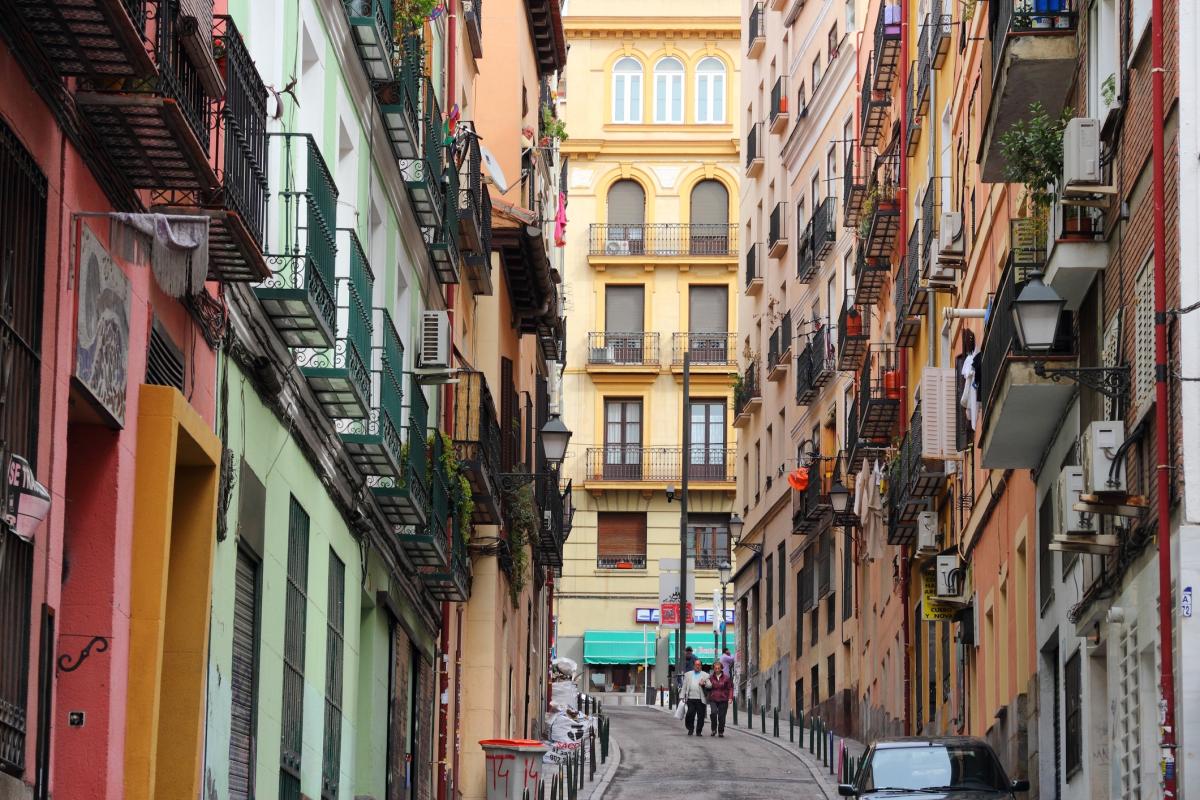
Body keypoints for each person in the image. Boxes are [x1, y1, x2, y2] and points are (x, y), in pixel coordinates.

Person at [680, 659, 711, 736]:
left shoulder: (705, 675)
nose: (697, 666)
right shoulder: (688, 674)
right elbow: (684, 686)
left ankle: (698, 731)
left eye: (699, 665)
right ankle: (690, 728)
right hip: (690, 699)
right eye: (696, 665)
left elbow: (710, 685)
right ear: (694, 665)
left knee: (701, 717)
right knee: (690, 714)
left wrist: (704, 684)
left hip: (701, 699)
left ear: (701, 666)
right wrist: (682, 696)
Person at [707, 661, 732, 736]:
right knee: (713, 713)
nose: (717, 669)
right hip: (713, 698)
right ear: (713, 669)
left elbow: (730, 688)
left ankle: (721, 731)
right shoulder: (710, 677)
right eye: (715, 668)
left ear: (721, 668)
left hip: (723, 699)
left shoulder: (726, 678)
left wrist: (730, 698)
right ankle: (713, 729)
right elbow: (707, 687)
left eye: (718, 668)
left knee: (722, 716)